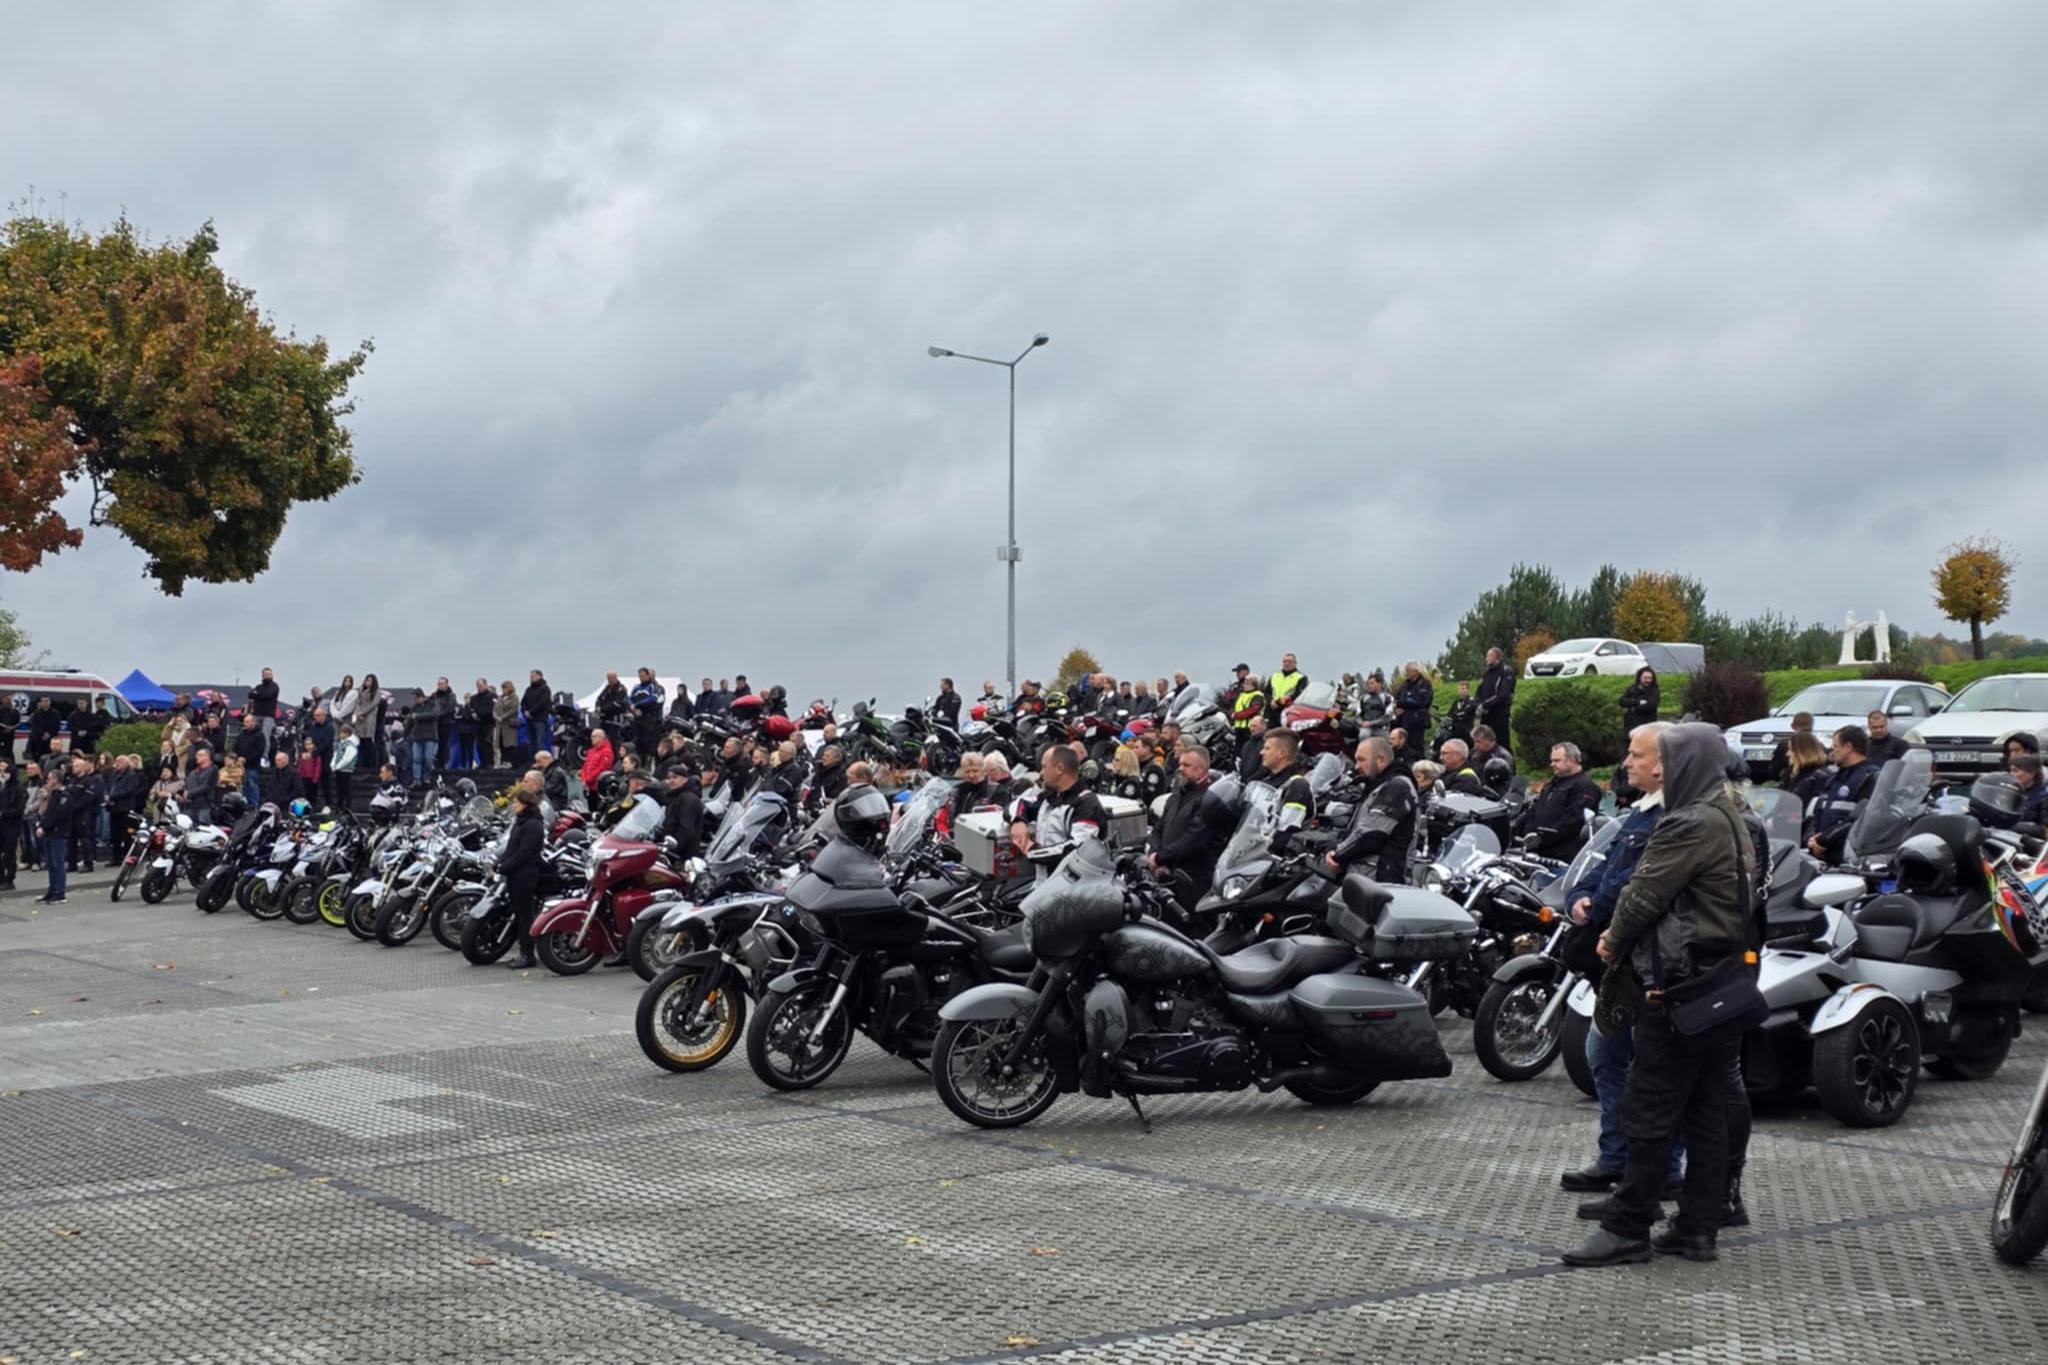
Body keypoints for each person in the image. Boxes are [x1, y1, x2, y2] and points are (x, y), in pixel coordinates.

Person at [1564, 722, 1755, 1268]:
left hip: (1676, 983)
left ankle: (1628, 1227)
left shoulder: (1687, 823)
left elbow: (1642, 894)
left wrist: (1611, 940)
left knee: (1649, 1107)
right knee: (1706, 1112)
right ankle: (1697, 1228)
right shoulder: (1733, 817)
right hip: (1723, 983)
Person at [1558, 722, 1681, 1203]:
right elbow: (1601, 863)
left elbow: (1638, 884)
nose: (1625, 763)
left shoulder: (1673, 818)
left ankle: (1666, 1170)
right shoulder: (1638, 813)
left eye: (1635, 754)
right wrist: (1580, 898)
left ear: (1663, 764)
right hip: (1619, 959)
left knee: (1651, 1069)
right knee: (1605, 1056)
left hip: (1646, 959)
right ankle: (1616, 1157)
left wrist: (1602, 914)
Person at [1325, 737, 1418, 884]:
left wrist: (1336, 855)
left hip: (1380, 881)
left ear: (1380, 760)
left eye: (1362, 760)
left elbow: (1372, 835)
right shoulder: (1380, 784)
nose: (1356, 766)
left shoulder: (1396, 787)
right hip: (1366, 877)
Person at [1147, 745, 1230, 906]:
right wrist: (1154, 855)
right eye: (1180, 764)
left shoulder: (1210, 800)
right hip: (1165, 875)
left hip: (1193, 879)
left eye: (1186, 765)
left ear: (1201, 770)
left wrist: (1160, 858)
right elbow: (1158, 828)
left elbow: (1195, 839)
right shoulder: (1176, 796)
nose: (1180, 769)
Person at [1009, 745, 1109, 853]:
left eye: (1044, 767)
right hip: (1044, 869)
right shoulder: (1049, 797)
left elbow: (1079, 847)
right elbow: (1019, 803)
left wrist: (1032, 850)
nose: (1041, 773)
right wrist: (1018, 821)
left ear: (1059, 769)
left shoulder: (1085, 802)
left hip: (1070, 869)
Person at [1807, 726, 1878, 864]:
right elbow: (1820, 811)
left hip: (1848, 855)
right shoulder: (1835, 777)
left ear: (1848, 747)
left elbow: (1861, 819)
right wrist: (1812, 839)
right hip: (1823, 852)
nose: (1833, 751)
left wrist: (1824, 840)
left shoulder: (1870, 776)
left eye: (1835, 746)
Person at [1524, 743, 1602, 860]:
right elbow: (1534, 809)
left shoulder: (1586, 788)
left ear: (1572, 760)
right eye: (1552, 761)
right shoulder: (1551, 785)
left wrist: (1543, 839)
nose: (1552, 764)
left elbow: (1573, 821)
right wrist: (1529, 833)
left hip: (1564, 856)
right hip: (1539, 852)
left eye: (1557, 761)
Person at [499, 786, 546, 968]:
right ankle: (523, 952)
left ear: (526, 804)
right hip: (515, 873)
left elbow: (525, 852)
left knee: (525, 915)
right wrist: (503, 861)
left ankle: (528, 954)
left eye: (517, 802)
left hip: (525, 874)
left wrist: (506, 865)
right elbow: (512, 847)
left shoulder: (532, 824)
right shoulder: (521, 822)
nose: (514, 805)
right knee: (520, 915)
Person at [1251, 729, 1315, 855]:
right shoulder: (1266, 781)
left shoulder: (1297, 786)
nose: (1261, 752)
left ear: (1281, 754)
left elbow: (1287, 831)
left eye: (1267, 748)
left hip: (1271, 860)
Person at [38, 766, 71, 903]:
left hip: (58, 832)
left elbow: (58, 815)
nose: (47, 780)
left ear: (56, 780)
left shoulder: (65, 796)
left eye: (50, 778)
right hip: (50, 833)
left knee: (58, 863)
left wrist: (44, 827)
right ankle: (52, 889)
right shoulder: (53, 795)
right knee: (51, 864)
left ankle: (60, 892)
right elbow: (44, 813)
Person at [660, 764, 705, 858]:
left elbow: (686, 830)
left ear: (685, 779)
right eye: (669, 778)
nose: (671, 780)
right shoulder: (675, 795)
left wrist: (671, 852)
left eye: (675, 777)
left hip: (680, 856)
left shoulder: (689, 800)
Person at [67, 753, 102, 872]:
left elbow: (87, 799)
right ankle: (72, 863)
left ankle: (88, 863)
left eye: (76, 766)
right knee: (71, 840)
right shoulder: (71, 780)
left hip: (82, 814)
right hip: (71, 815)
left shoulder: (88, 781)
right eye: (73, 766)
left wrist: (73, 807)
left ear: (82, 767)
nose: (73, 768)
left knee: (84, 839)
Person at [1780, 732, 1832, 810]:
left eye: (1791, 750)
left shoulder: (1820, 777)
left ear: (1803, 752)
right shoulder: (1790, 773)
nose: (1787, 754)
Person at [1393, 662, 1434, 763]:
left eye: (1408, 671)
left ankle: (1419, 765)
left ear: (1416, 671)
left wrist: (1404, 705)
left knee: (1417, 746)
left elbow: (1422, 701)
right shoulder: (1404, 685)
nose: (1406, 673)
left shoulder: (1425, 684)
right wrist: (1396, 706)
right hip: (1403, 720)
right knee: (1404, 746)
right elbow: (1397, 698)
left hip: (1418, 720)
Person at [1477, 646, 1516, 745]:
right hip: (1486, 714)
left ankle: (1505, 759)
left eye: (1489, 656)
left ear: (1497, 657)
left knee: (1501, 742)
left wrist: (1486, 704)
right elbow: (1480, 691)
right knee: (1485, 741)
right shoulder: (1487, 674)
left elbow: (1503, 694)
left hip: (1500, 714)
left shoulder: (1506, 671)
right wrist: (1479, 703)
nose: (1487, 659)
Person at [1766, 712, 1814, 784]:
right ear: (1812, 726)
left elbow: (1774, 771)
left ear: (1792, 726)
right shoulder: (1819, 746)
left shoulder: (1785, 746)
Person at [1618, 667, 1660, 751]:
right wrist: (1638, 702)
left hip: (1646, 726)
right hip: (1630, 726)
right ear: (1640, 678)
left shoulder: (1654, 690)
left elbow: (1651, 705)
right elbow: (1622, 701)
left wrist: (1633, 708)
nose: (1648, 680)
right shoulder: (1632, 688)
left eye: (1650, 678)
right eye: (1645, 678)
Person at [304, 705, 337, 806]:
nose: (316, 717)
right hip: (313, 760)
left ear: (324, 715)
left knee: (325, 784)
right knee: (312, 784)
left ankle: (329, 804)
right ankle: (312, 803)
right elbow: (310, 740)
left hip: (325, 759)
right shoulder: (313, 727)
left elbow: (326, 744)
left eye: (318, 715)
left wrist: (314, 752)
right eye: (315, 715)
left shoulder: (330, 728)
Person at [407, 690, 441, 785]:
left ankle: (427, 777)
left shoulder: (433, 704)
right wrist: (405, 734)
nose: (415, 700)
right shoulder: (415, 707)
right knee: (416, 759)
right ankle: (416, 780)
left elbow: (434, 715)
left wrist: (417, 716)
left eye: (416, 698)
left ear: (422, 697)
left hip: (430, 737)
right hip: (417, 737)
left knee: (428, 759)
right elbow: (410, 722)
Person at [248, 667, 281, 760]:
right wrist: (258, 694)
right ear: (262, 675)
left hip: (268, 716)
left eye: (269, 674)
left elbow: (267, 695)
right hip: (256, 714)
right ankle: (254, 755)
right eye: (265, 674)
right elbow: (250, 694)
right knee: (254, 735)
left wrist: (257, 695)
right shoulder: (259, 686)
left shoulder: (274, 686)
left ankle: (264, 757)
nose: (267, 676)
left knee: (265, 735)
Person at [182, 746, 219, 826]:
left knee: (204, 827)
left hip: (204, 806)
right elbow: (186, 784)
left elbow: (206, 786)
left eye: (199, 755)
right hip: (190, 806)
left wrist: (189, 793)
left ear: (207, 756)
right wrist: (185, 792)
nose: (196, 757)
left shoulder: (213, 769)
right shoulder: (193, 772)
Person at [464, 679, 496, 769]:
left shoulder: (492, 696)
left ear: (486, 685)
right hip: (477, 725)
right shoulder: (474, 698)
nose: (479, 688)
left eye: (481, 686)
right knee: (479, 745)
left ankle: (489, 763)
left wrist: (478, 713)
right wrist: (473, 715)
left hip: (488, 724)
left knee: (488, 744)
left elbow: (491, 710)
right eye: (477, 686)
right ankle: (482, 763)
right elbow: (470, 710)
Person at [522, 671, 554, 757]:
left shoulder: (545, 689)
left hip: (540, 719)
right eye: (531, 676)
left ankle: (541, 761)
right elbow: (523, 701)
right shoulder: (528, 689)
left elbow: (543, 703)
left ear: (539, 676)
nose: (531, 678)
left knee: (540, 742)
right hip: (529, 720)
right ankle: (532, 761)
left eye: (533, 676)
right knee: (531, 742)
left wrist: (531, 711)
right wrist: (525, 711)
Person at [0, 759, 21, 888]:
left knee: (9, 854)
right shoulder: (4, 789)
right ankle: (1, 878)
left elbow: (19, 810)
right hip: (2, 825)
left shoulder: (18, 789)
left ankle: (9, 879)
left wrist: (3, 813)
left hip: (12, 826)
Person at [2010, 754, 2048, 826]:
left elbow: (2045, 829)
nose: (2011, 774)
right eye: (2011, 770)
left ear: (2032, 773)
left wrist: (2012, 827)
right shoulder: (2012, 791)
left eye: (2015, 771)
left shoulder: (2044, 796)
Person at [1268, 653, 1307, 721]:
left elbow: (1298, 694)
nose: (1287, 664)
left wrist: (1280, 702)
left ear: (1295, 663)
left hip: (1288, 711)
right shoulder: (1275, 675)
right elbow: (1267, 692)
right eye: (1285, 661)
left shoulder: (1301, 677)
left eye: (1289, 661)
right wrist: (1270, 701)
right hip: (1272, 711)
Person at [330, 725, 359, 812]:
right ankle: (339, 805)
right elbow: (336, 755)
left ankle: (347, 807)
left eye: (342, 732)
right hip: (339, 771)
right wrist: (333, 764)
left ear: (347, 733)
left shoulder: (351, 745)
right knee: (339, 789)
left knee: (347, 789)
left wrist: (338, 766)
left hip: (347, 771)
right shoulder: (341, 744)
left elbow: (347, 759)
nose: (340, 734)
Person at [495, 682, 522, 769]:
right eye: (502, 688)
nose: (503, 690)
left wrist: (503, 717)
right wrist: (496, 716)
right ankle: (503, 761)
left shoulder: (514, 697)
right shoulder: (500, 698)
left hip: (509, 725)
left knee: (509, 744)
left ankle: (509, 761)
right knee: (501, 744)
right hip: (500, 725)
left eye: (505, 688)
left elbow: (513, 709)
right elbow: (495, 709)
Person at [1441, 682, 1478, 747]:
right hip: (1455, 729)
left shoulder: (1472, 701)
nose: (1461, 691)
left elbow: (1467, 712)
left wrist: (1457, 715)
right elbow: (1450, 714)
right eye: (1460, 689)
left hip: (1466, 729)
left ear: (1467, 690)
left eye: (1463, 689)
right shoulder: (1456, 702)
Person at [580, 728, 615, 792]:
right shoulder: (591, 751)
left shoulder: (607, 752)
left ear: (601, 738)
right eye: (591, 736)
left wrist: (587, 780)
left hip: (598, 787)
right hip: (588, 786)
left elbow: (602, 769)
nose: (592, 738)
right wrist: (583, 779)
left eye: (594, 736)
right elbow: (585, 766)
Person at [27, 696, 60, 761]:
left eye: (46, 701)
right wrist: (42, 733)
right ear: (41, 703)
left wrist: (49, 733)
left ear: (50, 702)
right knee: (38, 758)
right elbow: (34, 726)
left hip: (51, 740)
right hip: (38, 739)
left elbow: (56, 726)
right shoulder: (36, 714)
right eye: (43, 701)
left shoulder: (55, 713)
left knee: (50, 758)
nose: (45, 703)